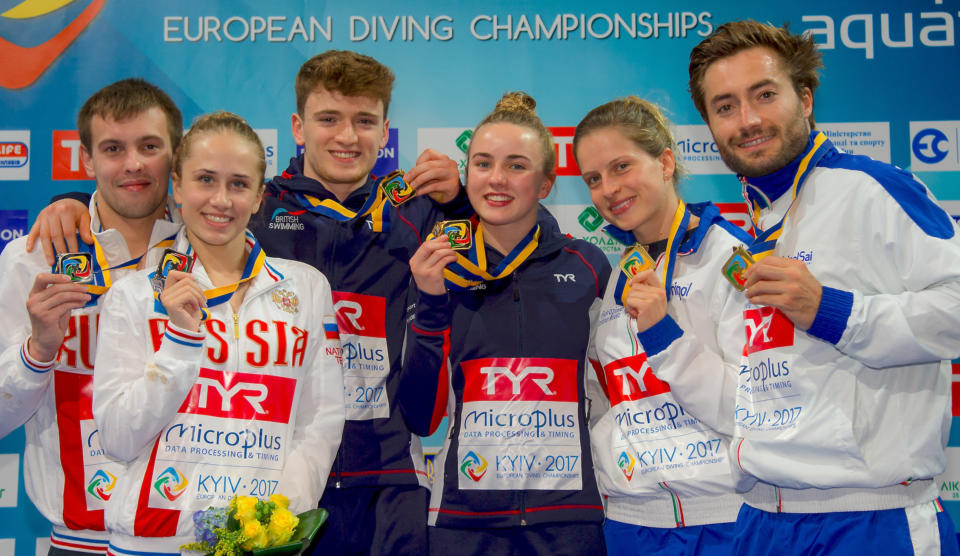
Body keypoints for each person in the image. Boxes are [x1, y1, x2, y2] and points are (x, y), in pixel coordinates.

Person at [27, 50, 466, 555]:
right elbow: (161, 201)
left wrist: (457, 203)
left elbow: (507, 237)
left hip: (385, 479)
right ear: (298, 128)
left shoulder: (413, 214)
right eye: (329, 119)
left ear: (385, 131)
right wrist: (71, 204)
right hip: (270, 485)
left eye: (364, 122)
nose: (347, 136)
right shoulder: (255, 206)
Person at [640, 20, 960, 554]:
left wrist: (833, 311)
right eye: (725, 107)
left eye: (764, 95)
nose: (748, 120)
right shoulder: (754, 226)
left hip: (869, 521)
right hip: (762, 518)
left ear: (805, 99)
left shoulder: (873, 188)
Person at [92, 111, 345, 555]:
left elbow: (318, 422)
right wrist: (180, 343)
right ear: (177, 185)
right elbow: (117, 437)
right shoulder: (132, 294)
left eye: (238, 184)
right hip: (153, 542)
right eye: (205, 179)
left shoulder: (306, 288)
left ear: (260, 196)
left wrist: (275, 520)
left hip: (259, 544)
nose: (221, 200)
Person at [0, 78, 185, 555]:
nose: (133, 164)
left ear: (177, 153)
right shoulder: (32, 259)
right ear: (86, 160)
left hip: (191, 540)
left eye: (150, 146)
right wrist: (37, 349)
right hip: (80, 543)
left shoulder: (212, 257)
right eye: (112, 148)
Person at [401, 91, 610, 555]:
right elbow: (420, 415)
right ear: (467, 172)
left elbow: (610, 395)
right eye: (482, 163)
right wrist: (432, 305)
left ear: (546, 183)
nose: (496, 179)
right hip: (463, 521)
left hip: (568, 520)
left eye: (517, 165)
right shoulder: (439, 268)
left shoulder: (588, 266)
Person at [574, 96, 755, 555]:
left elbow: (753, 409)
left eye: (621, 167)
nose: (608, 189)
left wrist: (664, 335)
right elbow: (608, 399)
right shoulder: (620, 273)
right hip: (631, 526)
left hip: (725, 524)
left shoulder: (731, 259)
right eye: (593, 179)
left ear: (666, 162)